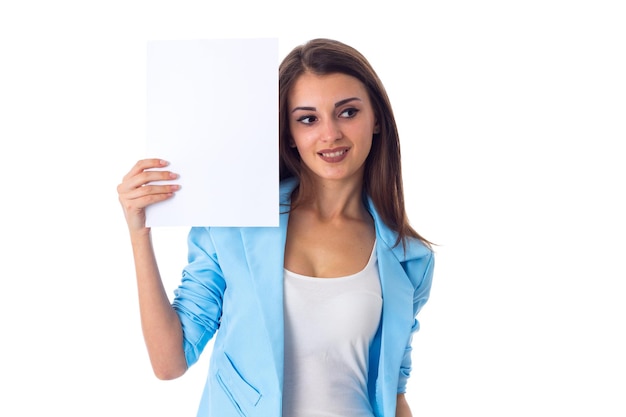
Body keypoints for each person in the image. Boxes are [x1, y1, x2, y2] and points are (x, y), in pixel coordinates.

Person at [117, 38, 435, 417]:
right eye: (308, 119)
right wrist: (139, 234)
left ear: (377, 119)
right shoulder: (235, 223)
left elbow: (394, 395)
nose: (330, 133)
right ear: (288, 132)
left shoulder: (409, 258)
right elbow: (170, 362)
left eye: (348, 112)